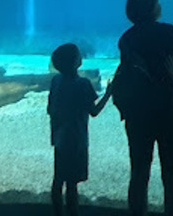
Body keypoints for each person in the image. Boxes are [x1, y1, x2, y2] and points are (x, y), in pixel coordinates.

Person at [114, 0, 173, 216]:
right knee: (172, 173)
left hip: (138, 112)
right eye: (157, 3)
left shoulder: (126, 38)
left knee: (139, 171)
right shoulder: (170, 32)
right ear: (152, 9)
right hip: (170, 110)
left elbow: (128, 74)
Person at [47, 43, 113, 216]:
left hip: (60, 138)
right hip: (76, 139)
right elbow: (94, 111)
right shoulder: (83, 84)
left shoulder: (55, 81)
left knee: (58, 179)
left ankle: (56, 213)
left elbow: (50, 109)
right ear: (76, 61)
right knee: (72, 184)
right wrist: (109, 92)